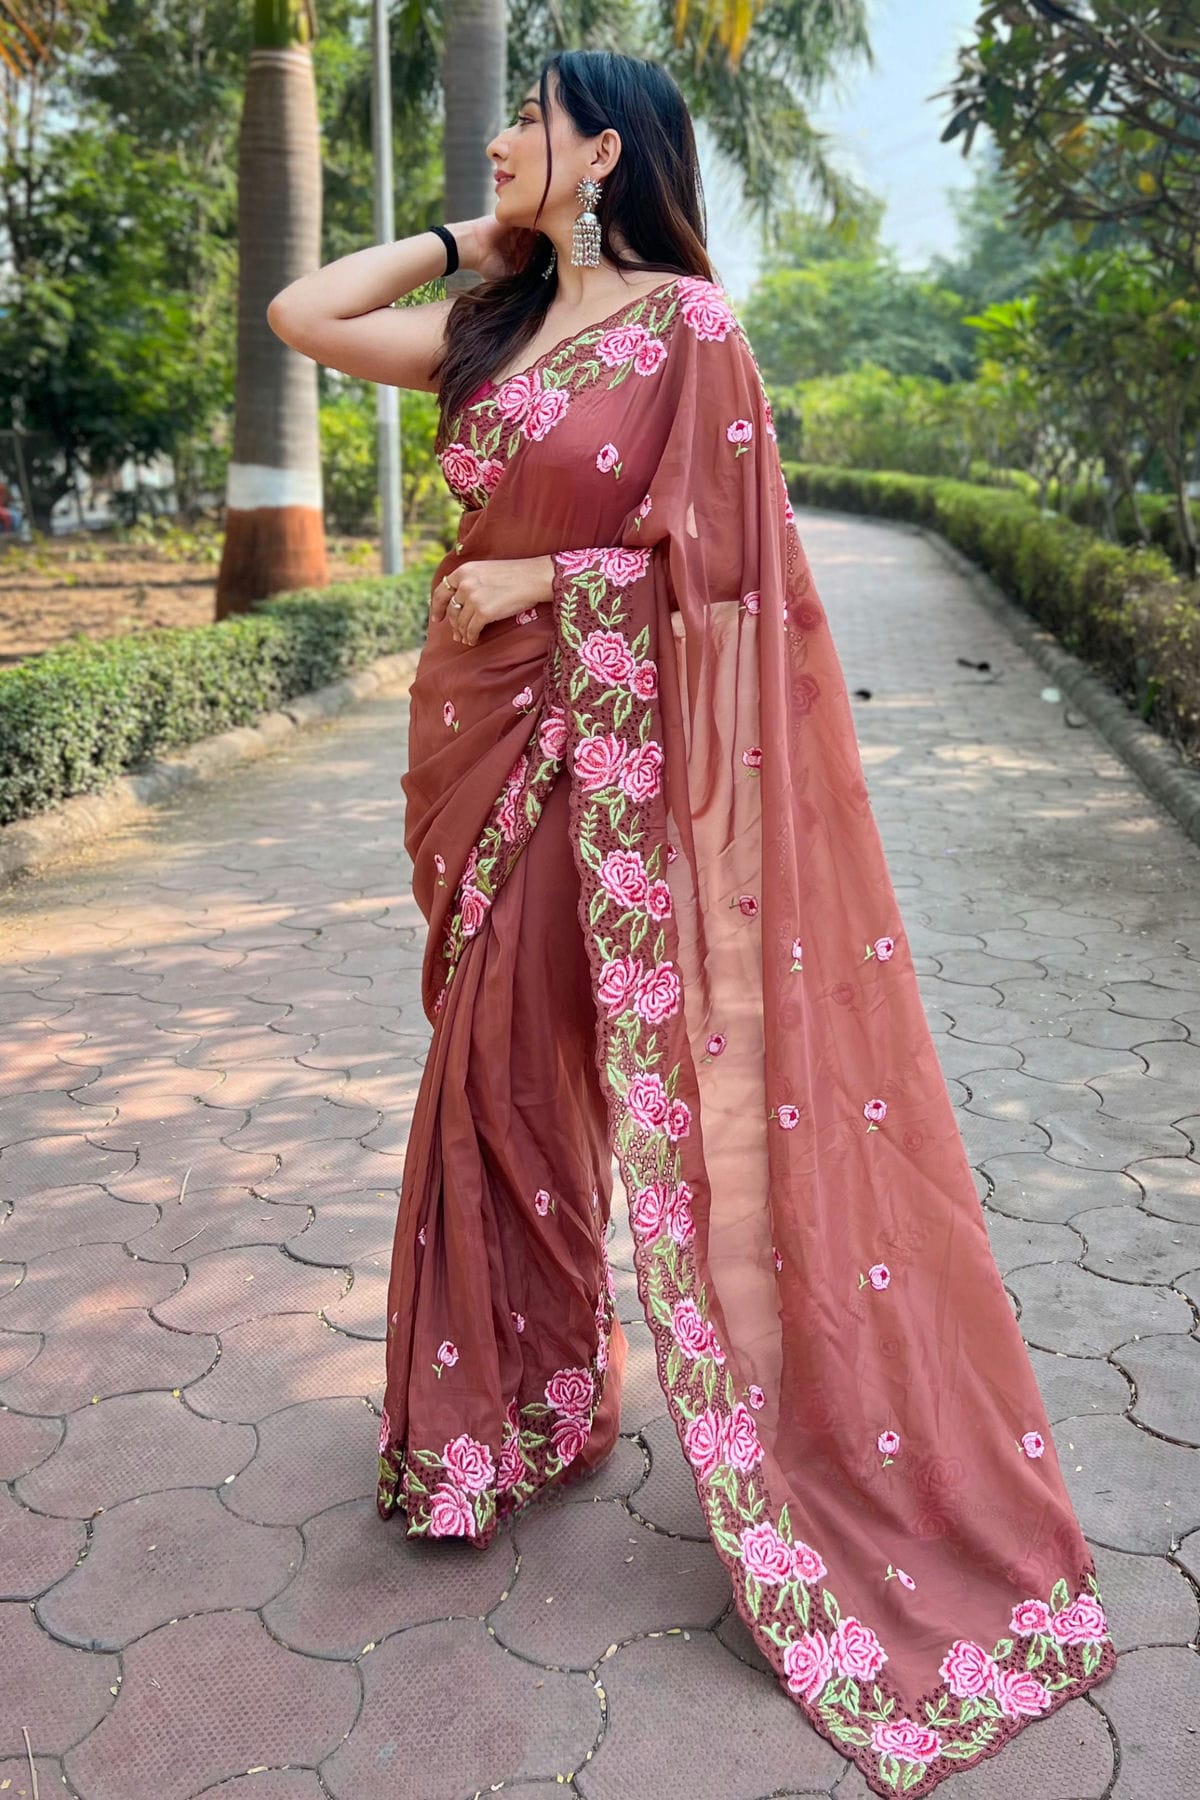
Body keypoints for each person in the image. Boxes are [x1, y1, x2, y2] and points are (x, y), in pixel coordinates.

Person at [267, 48, 1117, 1798]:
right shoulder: (495, 328)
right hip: (480, 747)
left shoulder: (690, 333)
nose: (499, 134)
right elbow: (304, 312)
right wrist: (476, 238)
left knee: (548, 1074)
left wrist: (554, 575)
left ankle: (729, 1430)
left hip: (609, 765)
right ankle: (514, 1412)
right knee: (498, 1080)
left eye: (527, 118)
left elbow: (738, 588)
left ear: (604, 148)